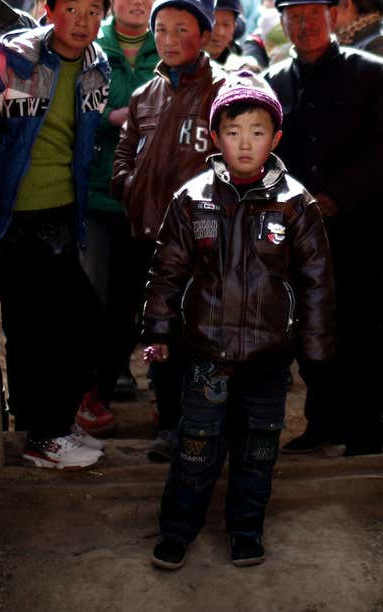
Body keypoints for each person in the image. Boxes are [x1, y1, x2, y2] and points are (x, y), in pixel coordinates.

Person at [142, 71, 335, 571]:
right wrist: (158, 332)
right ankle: (177, 532)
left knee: (258, 449)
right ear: (215, 137)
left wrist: (315, 350)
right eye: (233, 131)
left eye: (256, 131)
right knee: (196, 446)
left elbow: (317, 282)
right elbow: (166, 271)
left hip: (270, 356)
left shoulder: (296, 204)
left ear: (276, 138)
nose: (244, 143)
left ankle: (246, 531)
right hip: (206, 354)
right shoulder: (193, 200)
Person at [265, 0, 383, 457]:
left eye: (314, 15)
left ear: (336, 16)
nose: (305, 25)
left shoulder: (375, 72)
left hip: (360, 227)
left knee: (362, 331)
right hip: (300, 232)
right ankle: (324, 423)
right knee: (310, 328)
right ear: (283, 24)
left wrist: (335, 198)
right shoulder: (274, 82)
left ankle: (367, 431)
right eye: (294, 17)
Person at [0, 0, 115, 470]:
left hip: (63, 211)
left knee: (80, 322)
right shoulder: (14, 60)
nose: (82, 21)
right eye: (71, 10)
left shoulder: (95, 66)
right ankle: (43, 436)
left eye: (92, 12)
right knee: (31, 329)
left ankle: (54, 428)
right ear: (49, 11)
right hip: (14, 216)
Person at [112, 0, 230, 462]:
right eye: (161, 28)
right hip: (150, 234)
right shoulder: (146, 94)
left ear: (203, 34)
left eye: (181, 28)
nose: (168, 37)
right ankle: (169, 424)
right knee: (157, 331)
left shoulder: (225, 88)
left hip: (205, 239)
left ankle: (204, 426)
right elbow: (124, 149)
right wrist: (127, 185)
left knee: (201, 333)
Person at [79, 0, 164, 436]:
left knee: (134, 300)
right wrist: (114, 117)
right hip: (98, 193)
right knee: (95, 296)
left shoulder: (166, 46)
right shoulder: (94, 46)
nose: (137, 0)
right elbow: (77, 111)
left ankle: (114, 385)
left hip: (148, 200)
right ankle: (90, 394)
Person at [205, 0, 247, 69]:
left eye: (226, 25)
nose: (220, 32)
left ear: (234, 27)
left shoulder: (238, 64)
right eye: (213, 23)